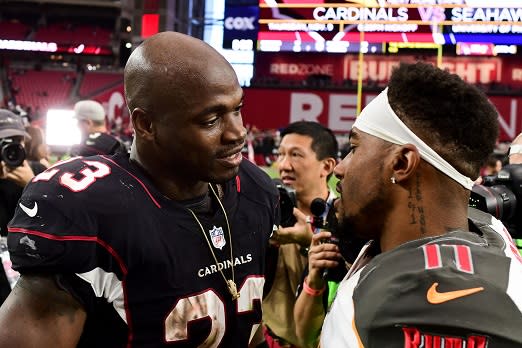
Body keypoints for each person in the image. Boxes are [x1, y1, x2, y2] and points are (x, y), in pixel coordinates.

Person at [0, 31, 280, 347]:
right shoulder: (90, 212)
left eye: (237, 109)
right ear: (146, 125)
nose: (237, 132)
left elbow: (250, 327)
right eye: (211, 119)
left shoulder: (255, 191)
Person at [312, 62, 522, 347]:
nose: (340, 168)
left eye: (354, 147)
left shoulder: (419, 302)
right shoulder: (480, 223)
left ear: (401, 163)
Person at [263, 121, 338, 348]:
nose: (284, 165)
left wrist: (308, 242)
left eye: (296, 155)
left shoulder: (347, 223)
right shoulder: (267, 215)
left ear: (326, 167)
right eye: (281, 154)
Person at [0, 110, 47, 303]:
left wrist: (32, 184)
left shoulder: (38, 172)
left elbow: (60, 220)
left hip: (32, 265)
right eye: (5, 141)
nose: (13, 147)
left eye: (18, 140)